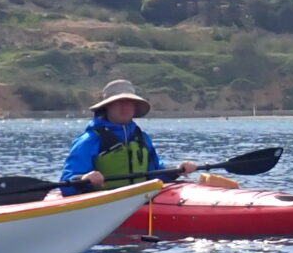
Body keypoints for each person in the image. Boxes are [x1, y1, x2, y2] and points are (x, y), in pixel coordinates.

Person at [61, 79, 196, 194]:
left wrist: (177, 170)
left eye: (129, 102)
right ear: (107, 107)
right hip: (105, 203)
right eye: (119, 102)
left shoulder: (142, 138)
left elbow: (156, 173)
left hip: (141, 200)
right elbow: (66, 184)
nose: (125, 107)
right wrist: (84, 178)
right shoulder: (89, 140)